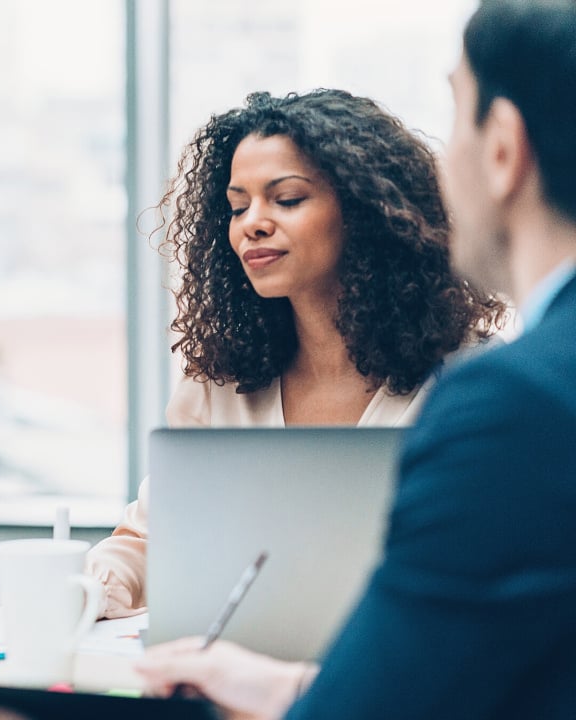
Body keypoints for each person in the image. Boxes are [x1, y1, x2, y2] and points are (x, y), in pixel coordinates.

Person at [137, 1, 576, 717]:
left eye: (456, 113)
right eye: (237, 203)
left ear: (502, 147)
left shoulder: (505, 400)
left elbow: (388, 700)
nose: (253, 222)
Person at [87, 88, 504, 618]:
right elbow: (151, 539)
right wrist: (101, 582)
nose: (252, 223)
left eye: (286, 199)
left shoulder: (473, 380)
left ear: (363, 210)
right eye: (238, 206)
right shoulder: (219, 381)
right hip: (242, 680)